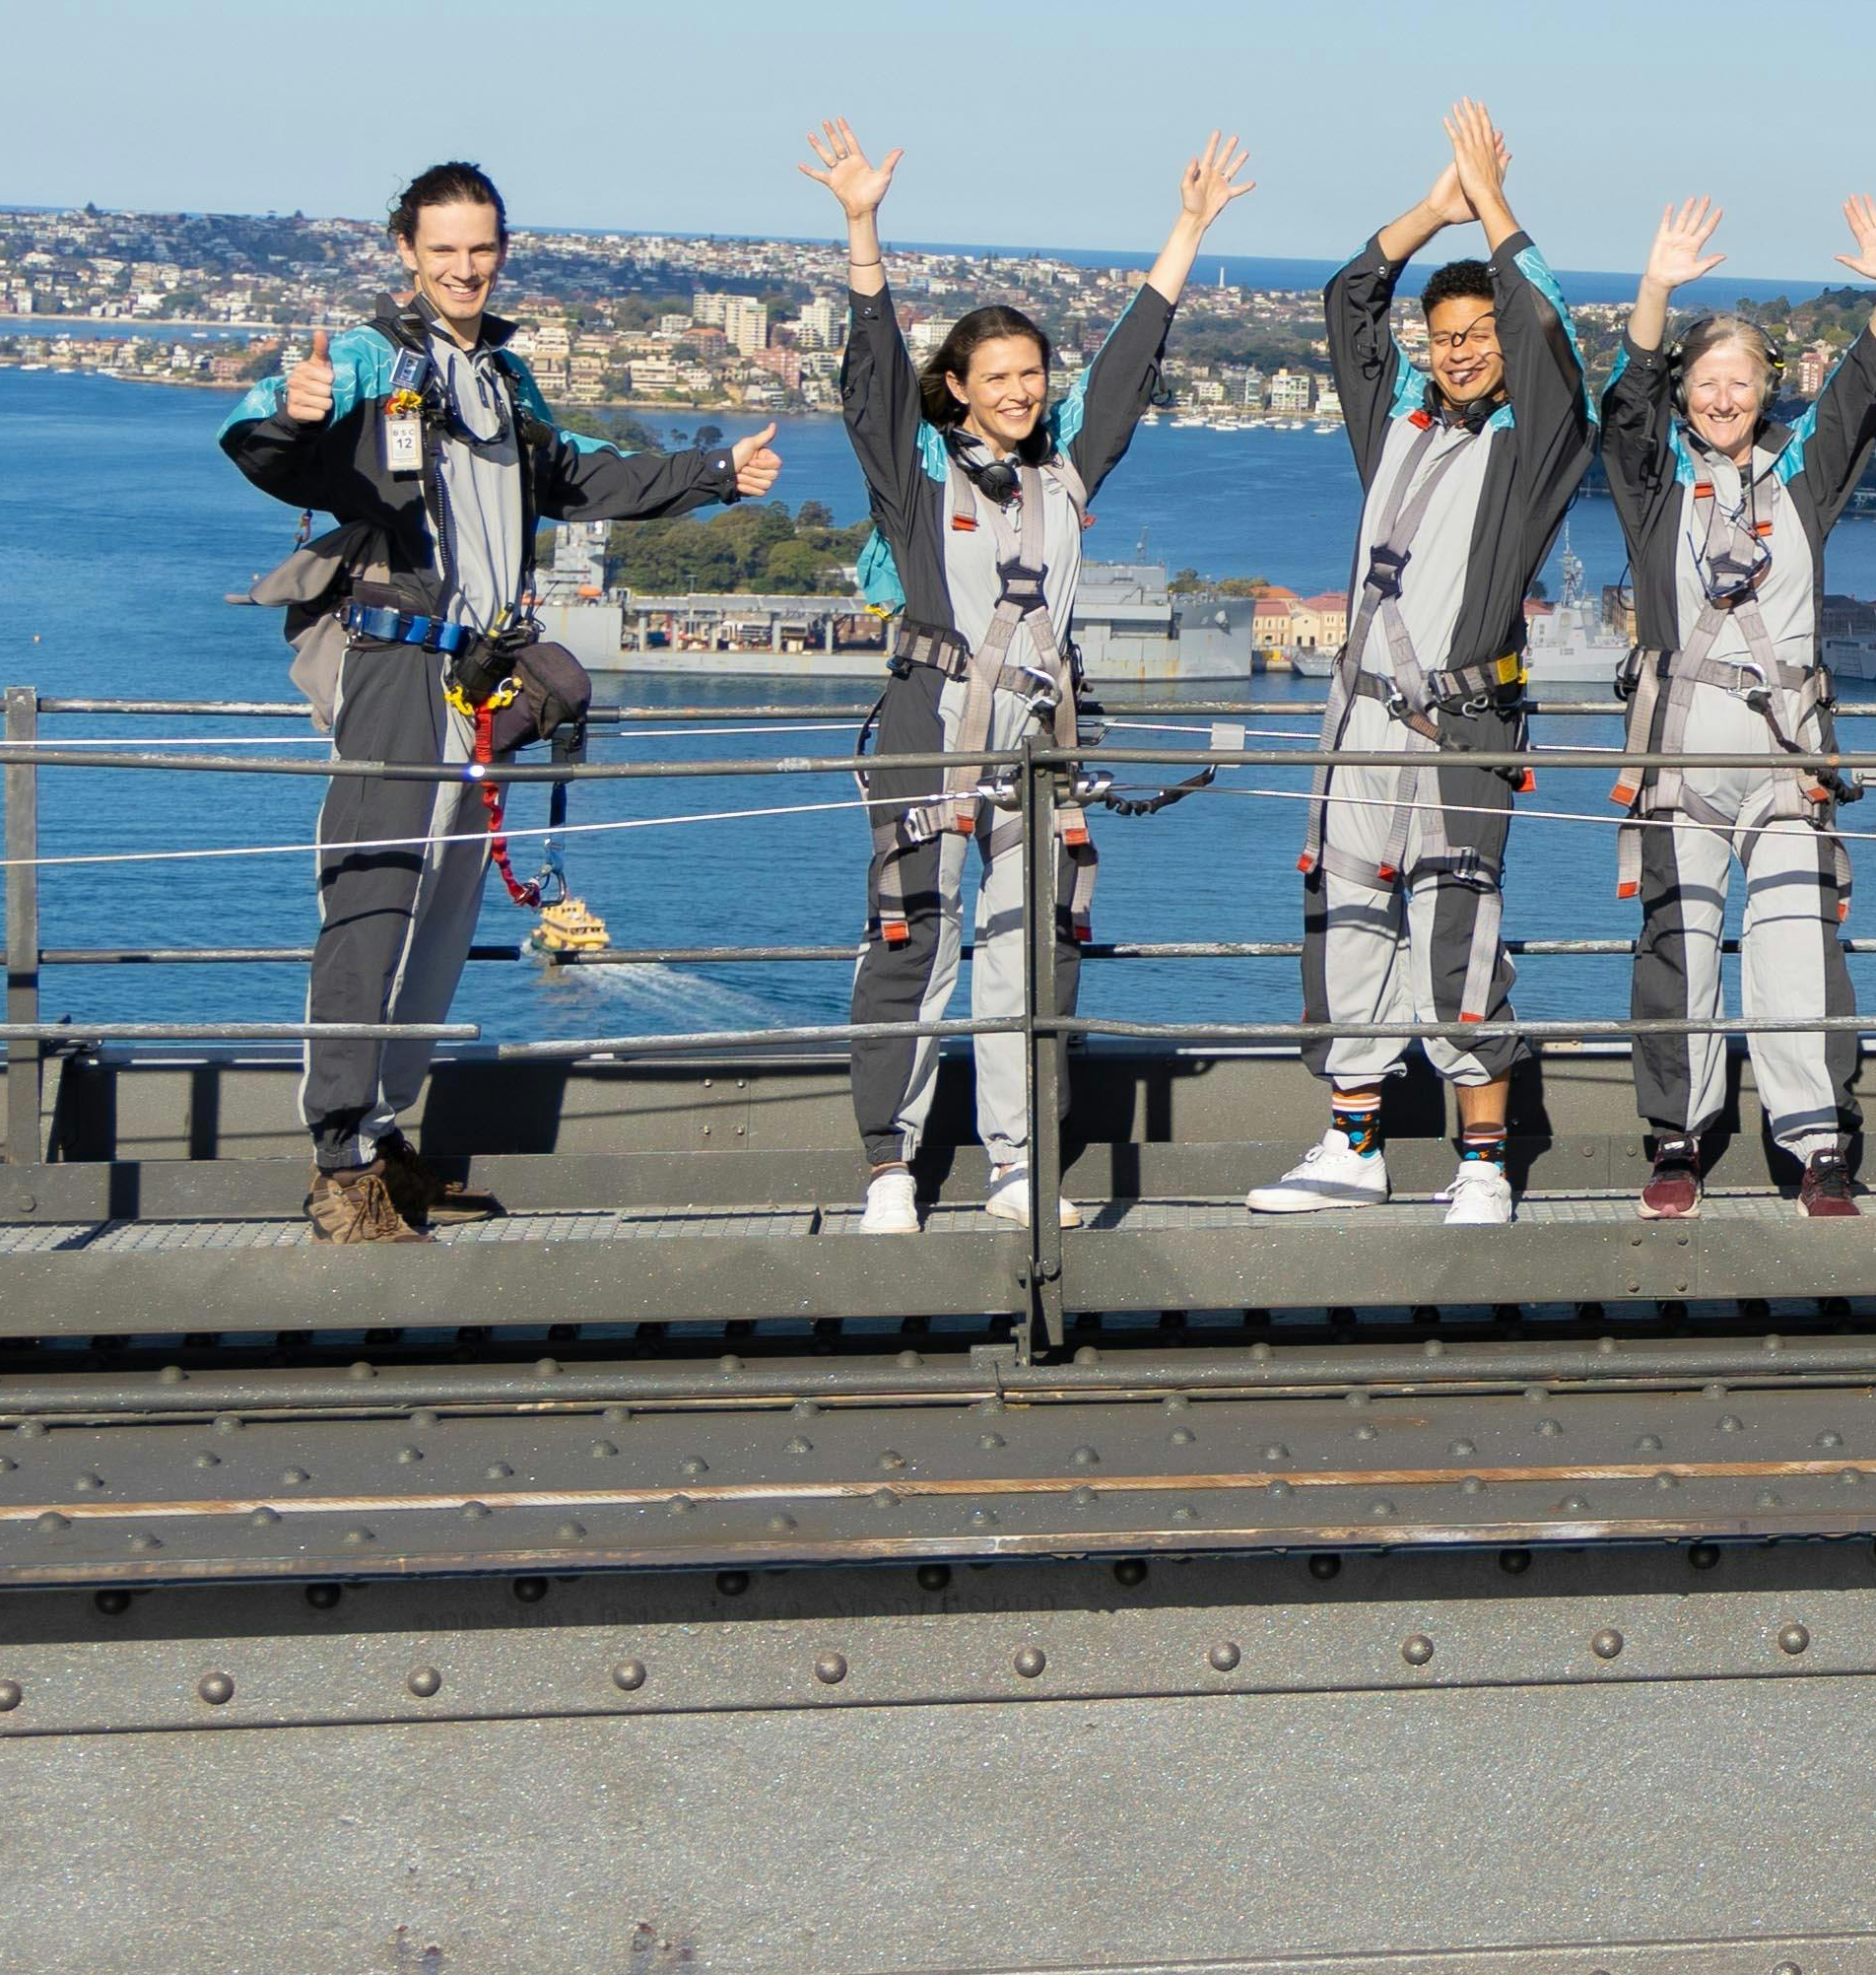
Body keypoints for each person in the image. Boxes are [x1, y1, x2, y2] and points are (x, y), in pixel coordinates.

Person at [224, 161, 774, 1244]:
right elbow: (265, 445)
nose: (465, 267)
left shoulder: (506, 380)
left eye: (480, 249)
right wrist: (290, 413)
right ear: (406, 252)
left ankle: (386, 1140)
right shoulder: (373, 359)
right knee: (375, 895)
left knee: (444, 911)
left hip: (478, 672)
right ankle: (338, 1161)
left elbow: (581, 477)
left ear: (500, 250)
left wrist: (714, 472)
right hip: (395, 660)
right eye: (444, 251)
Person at [808, 119, 1248, 1235]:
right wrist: (863, 228)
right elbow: (869, 384)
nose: (1019, 390)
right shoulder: (916, 478)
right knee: (910, 938)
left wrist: (1186, 232)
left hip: (1036, 739)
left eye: (1031, 374)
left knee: (1028, 960)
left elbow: (1124, 378)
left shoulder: (1063, 471)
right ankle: (890, 1164)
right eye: (996, 376)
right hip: (930, 719)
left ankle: (1017, 1160)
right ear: (954, 387)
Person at [1246, 104, 1607, 1224]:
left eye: (1477, 334)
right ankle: (1352, 1142)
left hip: (1462, 729)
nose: (1458, 350)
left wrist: (1495, 207)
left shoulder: (1533, 446)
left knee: (1458, 930)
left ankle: (1485, 1163)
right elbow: (1348, 299)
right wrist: (1431, 211)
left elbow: (1551, 337)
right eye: (1444, 335)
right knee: (1346, 915)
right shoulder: (1394, 427)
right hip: (1358, 724)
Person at [1600, 192, 1876, 1218]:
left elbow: (1862, 396)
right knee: (1677, 944)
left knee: (1792, 947)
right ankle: (1677, 1135)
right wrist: (1654, 290)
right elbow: (1623, 411)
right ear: (1685, 395)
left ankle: (1816, 1139)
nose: (1723, 398)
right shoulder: (1656, 484)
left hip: (1785, 750)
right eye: (1706, 382)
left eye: (1740, 382)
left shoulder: (1804, 478)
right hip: (1683, 747)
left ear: (1766, 392)